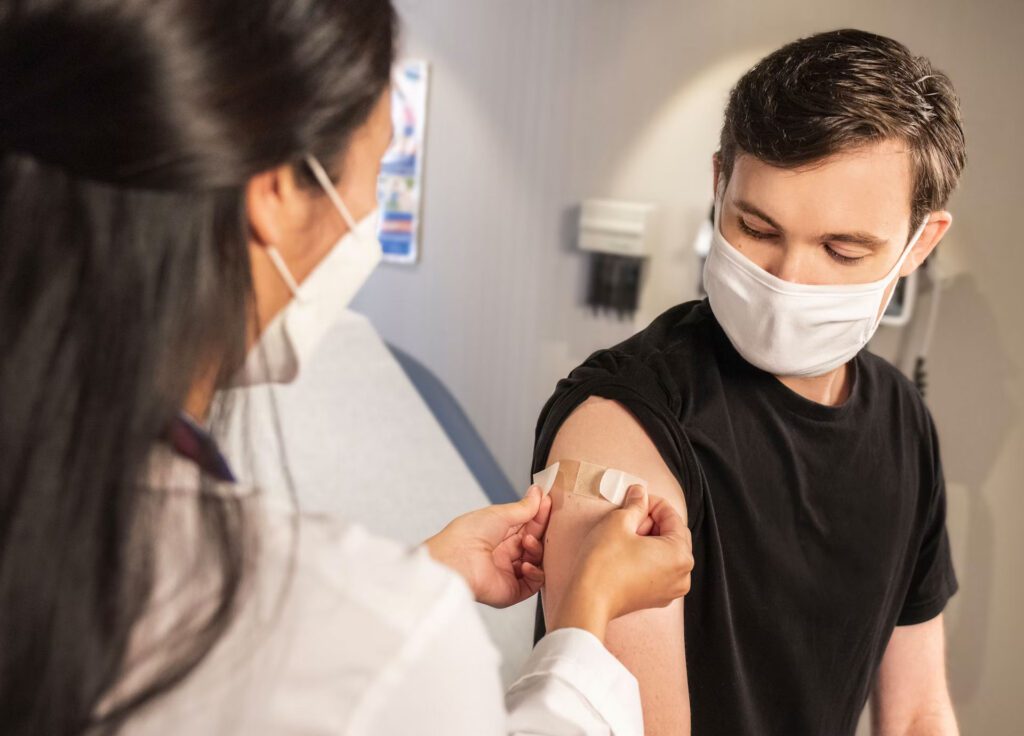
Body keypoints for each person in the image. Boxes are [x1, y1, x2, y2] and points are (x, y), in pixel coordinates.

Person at [0, 1, 694, 734]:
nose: (371, 206)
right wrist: (583, 620)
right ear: (273, 190)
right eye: (385, 163)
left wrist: (422, 575)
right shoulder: (379, 637)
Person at [533, 29, 965, 736]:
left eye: (841, 248)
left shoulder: (903, 423)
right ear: (718, 185)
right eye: (756, 227)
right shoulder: (623, 422)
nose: (786, 280)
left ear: (921, 242)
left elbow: (918, 710)